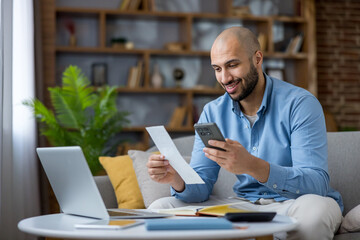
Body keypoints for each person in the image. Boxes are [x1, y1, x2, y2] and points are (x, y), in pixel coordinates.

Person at [146, 26, 343, 239]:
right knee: (161, 207)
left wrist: (251, 165)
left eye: (232, 65)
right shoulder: (212, 112)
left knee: (315, 212)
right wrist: (177, 179)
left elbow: (316, 184)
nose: (225, 78)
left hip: (294, 204)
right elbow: (200, 187)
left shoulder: (300, 104)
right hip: (242, 206)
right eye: (217, 68)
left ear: (257, 59)